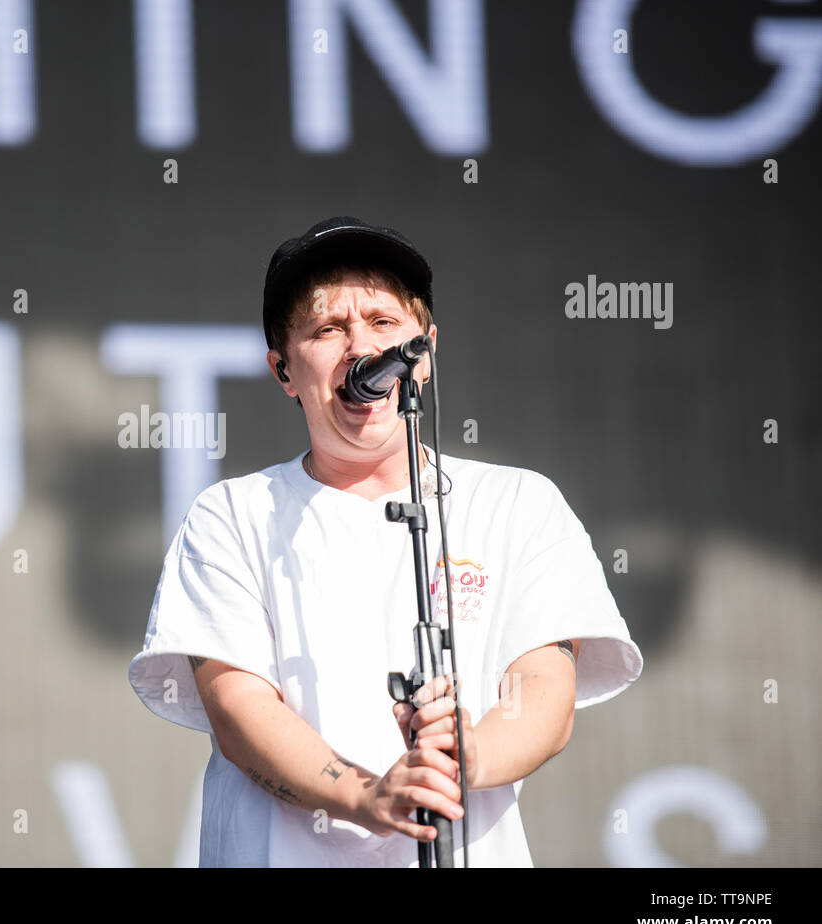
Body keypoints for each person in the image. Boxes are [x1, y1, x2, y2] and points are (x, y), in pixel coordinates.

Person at [128, 216, 643, 866]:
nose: (360, 349)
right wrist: (369, 795)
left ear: (423, 352)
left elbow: (545, 689)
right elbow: (237, 705)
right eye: (327, 329)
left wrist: (471, 754)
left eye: (381, 323)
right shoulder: (232, 514)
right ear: (284, 369)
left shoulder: (517, 503)